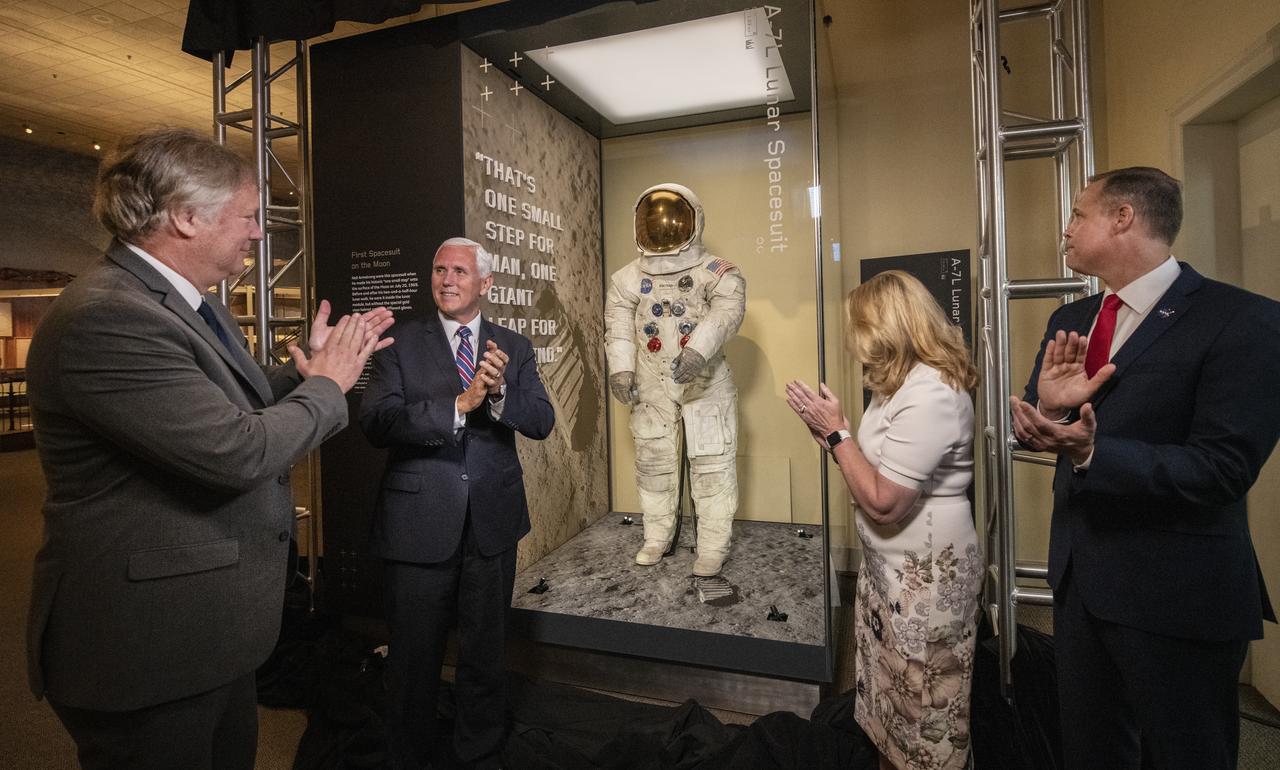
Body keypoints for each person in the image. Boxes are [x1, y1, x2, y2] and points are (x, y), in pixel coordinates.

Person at [25, 127, 394, 770]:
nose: (258, 234)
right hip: (147, 647)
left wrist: (300, 378)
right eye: (250, 216)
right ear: (187, 217)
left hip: (205, 636)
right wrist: (331, 386)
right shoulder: (108, 317)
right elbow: (238, 452)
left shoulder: (186, 305)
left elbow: (219, 408)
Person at [1010, 166, 1280, 769]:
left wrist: (1091, 451)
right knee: (1091, 752)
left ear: (1123, 218)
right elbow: (1049, 423)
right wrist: (1044, 414)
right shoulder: (1070, 321)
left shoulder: (1244, 322)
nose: (1067, 227)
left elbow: (1224, 468)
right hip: (1082, 585)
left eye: (1079, 213)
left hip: (1178, 591)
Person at [359, 237, 554, 770]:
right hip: (418, 526)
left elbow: (541, 421)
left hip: (491, 526)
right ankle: (408, 757)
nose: (446, 279)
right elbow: (376, 422)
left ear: (486, 284)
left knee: (485, 658)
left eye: (460, 272)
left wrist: (497, 398)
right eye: (439, 269)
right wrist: (459, 405)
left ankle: (479, 755)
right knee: (413, 661)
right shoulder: (398, 341)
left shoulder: (513, 344)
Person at [787, 270, 981, 770]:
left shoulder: (932, 392)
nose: (854, 341)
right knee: (888, 704)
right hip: (890, 574)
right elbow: (872, 468)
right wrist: (838, 438)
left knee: (923, 717)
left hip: (926, 580)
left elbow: (884, 503)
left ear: (887, 326)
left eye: (860, 327)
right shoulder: (895, 384)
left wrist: (838, 438)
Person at [604, 182, 746, 576]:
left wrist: (698, 349)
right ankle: (656, 535)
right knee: (654, 461)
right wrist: (620, 368)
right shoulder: (627, 278)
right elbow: (616, 327)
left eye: (671, 220)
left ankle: (713, 546)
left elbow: (727, 312)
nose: (663, 229)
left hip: (706, 381)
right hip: (651, 381)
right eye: (653, 222)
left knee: (712, 463)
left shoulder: (716, 271)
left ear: (693, 221)